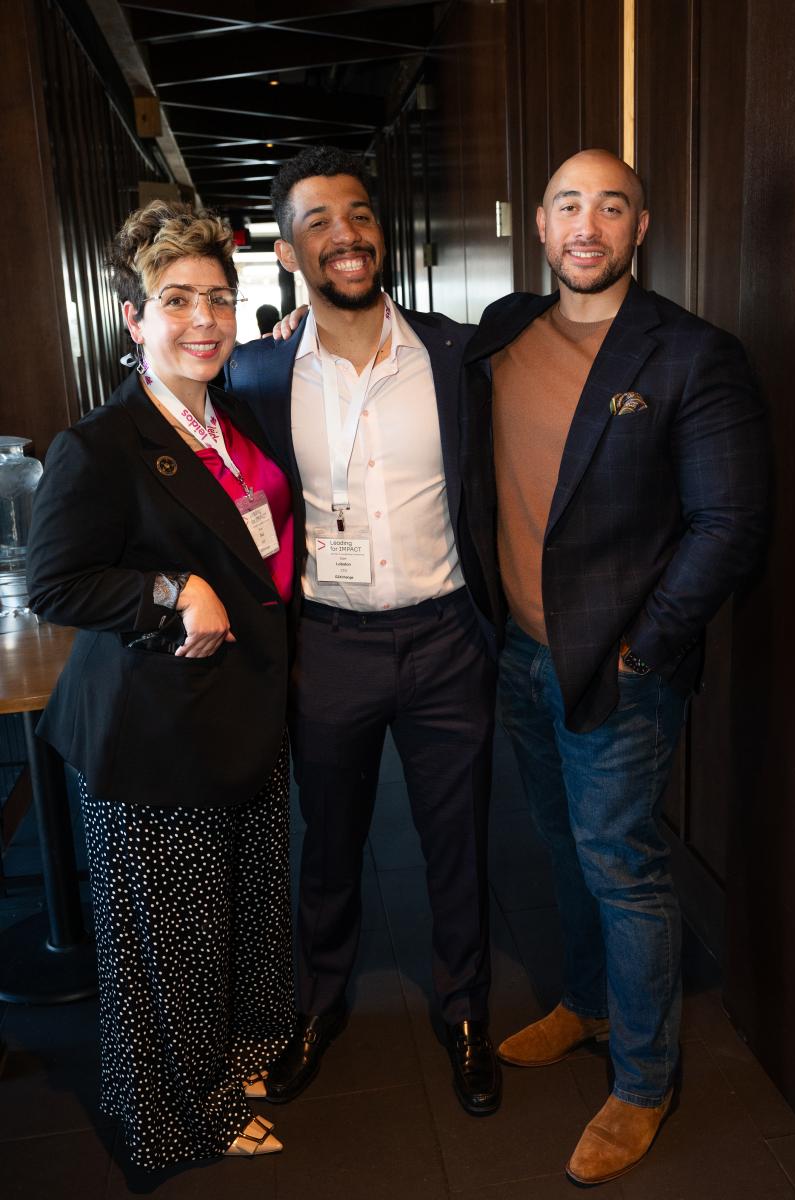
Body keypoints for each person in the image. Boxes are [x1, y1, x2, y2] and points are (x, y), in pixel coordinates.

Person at [462, 150, 770, 1184]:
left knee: (623, 866)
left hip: (622, 666)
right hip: (518, 652)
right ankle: (587, 1003)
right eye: (567, 205)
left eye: (610, 206)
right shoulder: (503, 332)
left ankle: (642, 1082)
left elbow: (730, 522)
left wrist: (648, 643)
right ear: (540, 227)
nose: (585, 225)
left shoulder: (692, 353)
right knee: (561, 843)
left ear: (640, 227)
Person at [27, 201, 301, 1169]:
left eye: (218, 299)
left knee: (244, 908)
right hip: (155, 730)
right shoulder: (100, 444)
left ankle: (243, 1053)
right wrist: (169, 588)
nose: (203, 320)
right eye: (176, 300)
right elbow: (57, 583)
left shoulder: (232, 418)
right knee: (173, 941)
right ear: (134, 319)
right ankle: (187, 1110)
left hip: (241, 707)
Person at [226, 147, 501, 1115]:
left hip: (447, 638)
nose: (344, 235)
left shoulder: (457, 353)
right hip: (329, 644)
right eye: (317, 222)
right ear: (288, 252)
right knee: (330, 841)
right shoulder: (255, 374)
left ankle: (465, 1012)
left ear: (380, 231)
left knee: (458, 841)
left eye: (358, 214)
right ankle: (318, 1003)